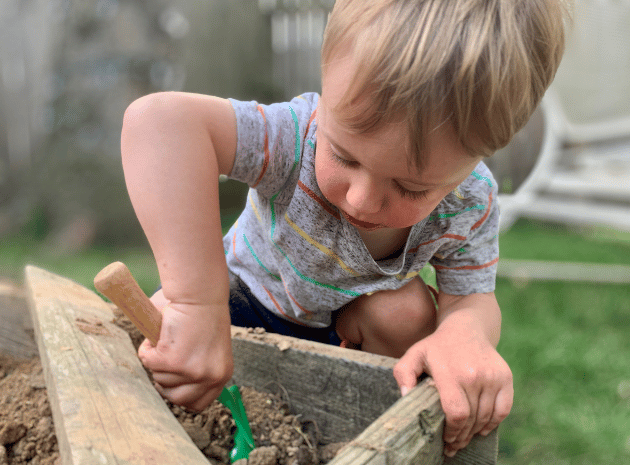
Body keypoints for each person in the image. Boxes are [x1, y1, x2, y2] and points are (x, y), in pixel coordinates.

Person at [120, 0, 568, 456]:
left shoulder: (469, 201)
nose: (361, 199)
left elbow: (471, 297)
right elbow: (160, 123)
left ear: (475, 158)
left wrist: (465, 336)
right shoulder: (295, 137)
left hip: (346, 333)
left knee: (407, 314)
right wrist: (195, 303)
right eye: (344, 157)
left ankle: (365, 437)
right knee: (161, 335)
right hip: (242, 302)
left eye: (411, 188)